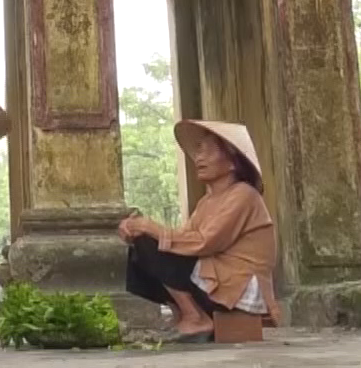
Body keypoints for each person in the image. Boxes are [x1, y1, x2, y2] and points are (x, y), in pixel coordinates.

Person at [117, 120, 280, 343]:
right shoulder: (207, 202)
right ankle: (186, 314)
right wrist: (137, 232)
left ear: (232, 162)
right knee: (142, 247)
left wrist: (150, 228)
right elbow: (183, 239)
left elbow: (206, 242)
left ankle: (195, 317)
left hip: (237, 287)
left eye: (207, 151)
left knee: (151, 242)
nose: (198, 158)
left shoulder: (243, 195)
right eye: (198, 151)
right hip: (216, 280)